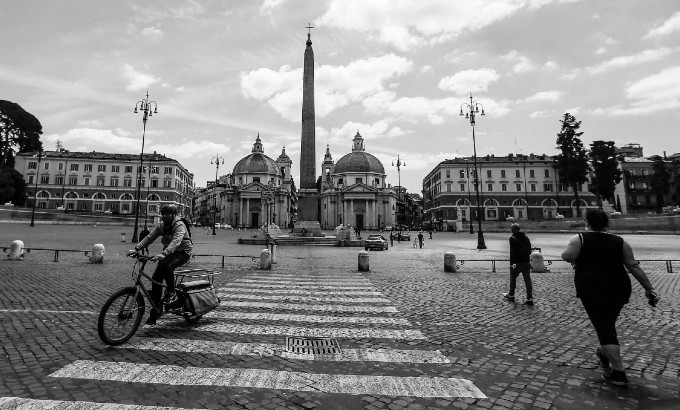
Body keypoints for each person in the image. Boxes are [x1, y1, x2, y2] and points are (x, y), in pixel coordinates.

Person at [561, 209, 658, 387]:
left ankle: (619, 372)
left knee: (604, 327)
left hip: (592, 287)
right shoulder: (620, 241)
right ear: (606, 224)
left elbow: (567, 256)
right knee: (607, 323)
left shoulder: (580, 238)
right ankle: (604, 353)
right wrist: (649, 288)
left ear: (587, 221)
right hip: (619, 287)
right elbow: (633, 266)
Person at [131, 204, 193, 325]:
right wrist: (137, 248)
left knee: (167, 265)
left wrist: (164, 253)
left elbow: (176, 241)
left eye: (167, 214)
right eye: (163, 214)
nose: (164, 216)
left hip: (182, 252)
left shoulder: (179, 225)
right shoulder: (162, 225)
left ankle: (171, 293)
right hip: (169, 252)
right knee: (156, 279)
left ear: (173, 215)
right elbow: (150, 237)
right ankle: (156, 310)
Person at [503, 223, 534, 305]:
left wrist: (511, 264)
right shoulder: (526, 238)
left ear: (512, 230)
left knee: (513, 277)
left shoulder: (512, 238)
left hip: (516, 262)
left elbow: (512, 252)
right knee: (527, 280)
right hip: (526, 262)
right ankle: (529, 298)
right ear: (519, 229)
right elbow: (529, 250)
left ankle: (511, 294)